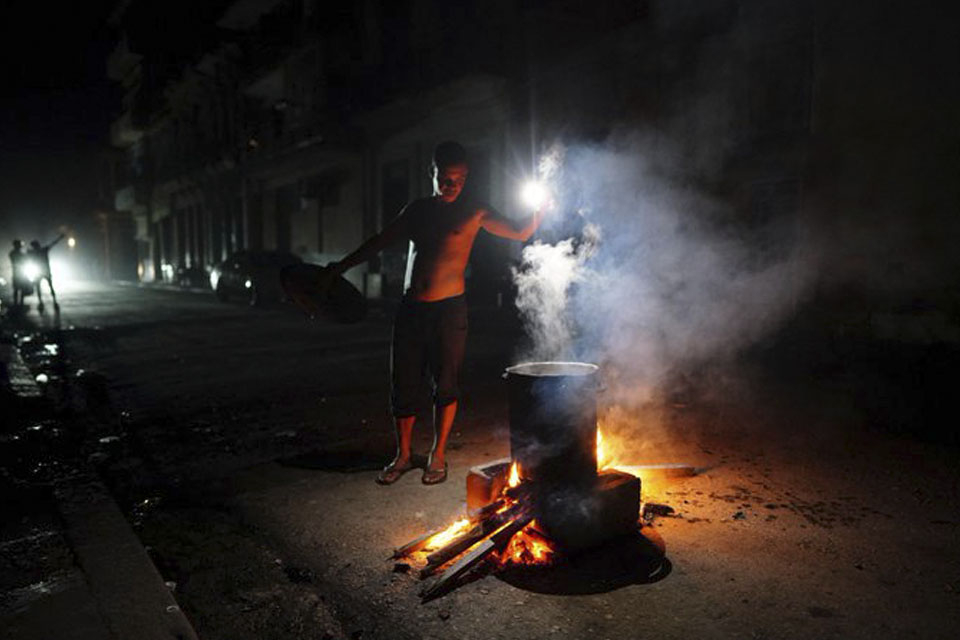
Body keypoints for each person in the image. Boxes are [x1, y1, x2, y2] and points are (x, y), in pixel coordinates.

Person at [325, 141, 544, 485]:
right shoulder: (417, 211)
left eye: (457, 178)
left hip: (450, 310)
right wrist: (340, 266)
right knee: (403, 384)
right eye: (444, 177)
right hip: (412, 308)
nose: (450, 185)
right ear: (433, 173)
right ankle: (403, 455)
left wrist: (541, 205)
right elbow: (379, 241)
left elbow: (520, 231)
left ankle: (437, 455)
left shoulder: (476, 211)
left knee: (445, 384)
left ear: (466, 177)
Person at [28, 235, 63, 313]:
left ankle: (41, 302)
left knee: (39, 287)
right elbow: (53, 244)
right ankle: (54, 301)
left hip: (39, 272)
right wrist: (60, 238)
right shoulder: (43, 250)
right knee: (50, 286)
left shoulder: (33, 252)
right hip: (45, 271)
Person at [8, 239, 28, 306]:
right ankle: (18, 303)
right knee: (18, 289)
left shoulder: (12, 253)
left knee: (18, 289)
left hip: (18, 273)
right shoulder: (16, 253)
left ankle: (18, 303)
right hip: (18, 273)